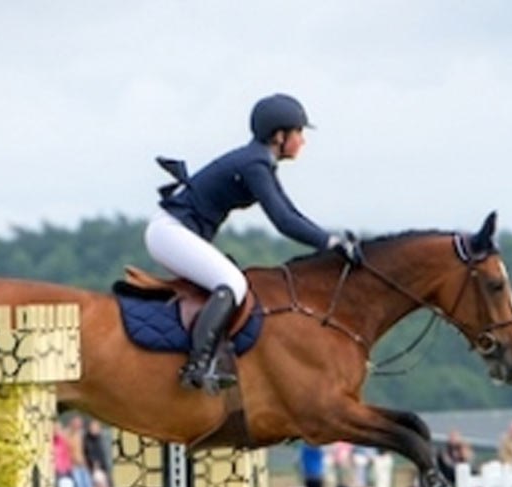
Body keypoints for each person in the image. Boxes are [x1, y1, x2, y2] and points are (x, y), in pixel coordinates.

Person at [145, 93, 361, 393]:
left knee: (232, 280)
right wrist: (330, 243)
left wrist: (332, 240)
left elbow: (290, 212)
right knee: (233, 283)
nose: (303, 141)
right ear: (279, 135)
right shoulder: (254, 164)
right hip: (170, 232)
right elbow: (284, 221)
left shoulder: (259, 161)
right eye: (299, 132)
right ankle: (198, 364)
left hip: (177, 231)